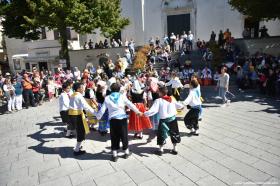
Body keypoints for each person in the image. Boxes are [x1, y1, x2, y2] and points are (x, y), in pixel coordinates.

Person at [94, 83, 142, 162]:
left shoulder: (107, 98)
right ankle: (126, 152)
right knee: (124, 136)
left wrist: (98, 116)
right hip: (122, 119)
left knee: (114, 136)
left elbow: (102, 110)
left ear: (111, 90)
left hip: (113, 120)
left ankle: (114, 155)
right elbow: (130, 105)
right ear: (119, 89)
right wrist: (138, 112)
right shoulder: (122, 96)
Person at [144, 86, 183, 156]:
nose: (158, 92)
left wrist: (144, 114)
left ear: (160, 93)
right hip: (173, 119)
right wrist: (182, 106)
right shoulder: (172, 99)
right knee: (174, 133)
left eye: (158, 91)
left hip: (164, 121)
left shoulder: (158, 101)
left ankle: (161, 149)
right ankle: (175, 148)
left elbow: (153, 111)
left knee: (161, 134)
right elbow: (179, 106)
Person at [68, 82, 96, 156]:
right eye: (82, 87)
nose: (83, 88)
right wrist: (96, 113)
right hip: (77, 116)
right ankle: (76, 150)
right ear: (78, 89)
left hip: (72, 115)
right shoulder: (79, 96)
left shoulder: (73, 95)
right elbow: (86, 107)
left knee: (80, 131)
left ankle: (78, 146)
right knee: (81, 132)